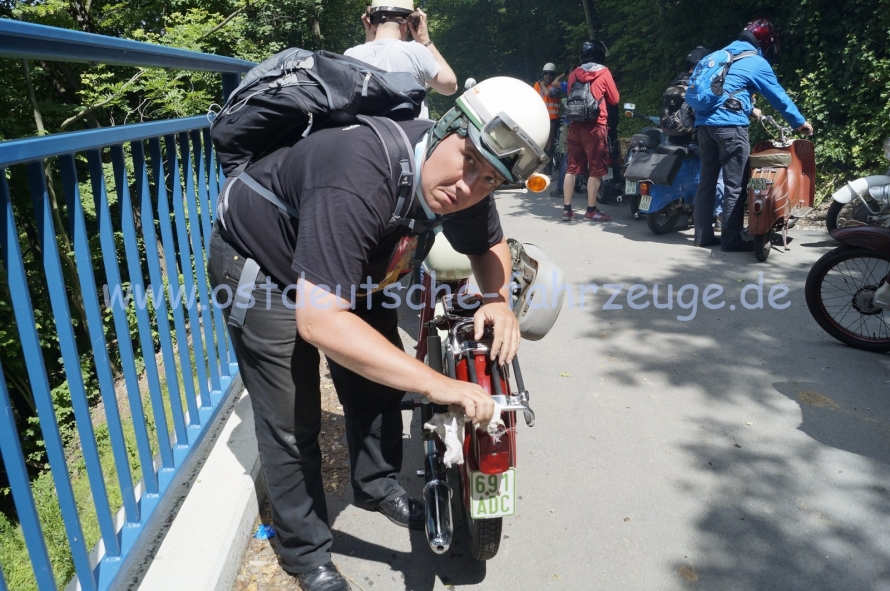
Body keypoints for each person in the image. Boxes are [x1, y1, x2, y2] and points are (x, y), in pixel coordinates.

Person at [207, 76, 550, 591]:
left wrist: (498, 300)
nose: (469, 186)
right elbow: (320, 322)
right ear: (450, 127)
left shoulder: (467, 177)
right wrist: (441, 386)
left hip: (358, 263)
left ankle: (375, 484)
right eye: (470, 162)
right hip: (264, 267)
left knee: (377, 381)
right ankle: (306, 554)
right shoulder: (359, 170)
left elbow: (488, 243)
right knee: (291, 418)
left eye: (489, 180)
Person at [692, 19, 813, 251]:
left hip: (704, 126)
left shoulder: (718, 55)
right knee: (734, 185)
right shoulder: (755, 62)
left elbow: (723, 92)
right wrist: (799, 123)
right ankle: (731, 240)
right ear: (764, 43)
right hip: (730, 127)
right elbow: (778, 97)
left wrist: (749, 108)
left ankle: (702, 236)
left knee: (706, 182)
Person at [345, 0, 458, 118]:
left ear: (372, 23)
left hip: (369, 135)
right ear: (406, 24)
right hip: (410, 136)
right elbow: (450, 87)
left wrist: (370, 37)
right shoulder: (415, 51)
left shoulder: (350, 56)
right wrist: (425, 41)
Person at [562, 40, 619, 222]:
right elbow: (615, 99)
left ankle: (567, 209)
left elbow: (570, 94)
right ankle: (591, 210)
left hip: (575, 125)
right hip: (595, 127)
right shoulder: (604, 72)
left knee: (572, 168)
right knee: (595, 170)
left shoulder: (574, 74)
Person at [534, 63, 565, 173]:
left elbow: (548, 93)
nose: (548, 77)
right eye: (546, 74)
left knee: (549, 146)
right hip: (540, 119)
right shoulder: (537, 85)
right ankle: (536, 168)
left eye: (550, 74)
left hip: (552, 120)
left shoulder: (555, 86)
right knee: (538, 144)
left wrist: (542, 84)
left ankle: (547, 172)